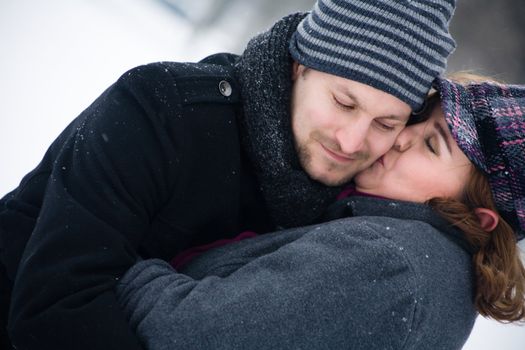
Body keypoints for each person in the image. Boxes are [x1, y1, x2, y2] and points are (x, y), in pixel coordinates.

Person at [0, 1, 458, 349]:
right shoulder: (162, 112)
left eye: (386, 124)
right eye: (344, 102)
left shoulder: (354, 201)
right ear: (301, 66)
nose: (353, 142)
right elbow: (57, 307)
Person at [114, 74, 525, 349]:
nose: (401, 137)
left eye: (432, 145)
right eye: (418, 121)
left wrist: (110, 254)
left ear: (481, 217)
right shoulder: (438, 270)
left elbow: (185, 332)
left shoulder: (389, 262)